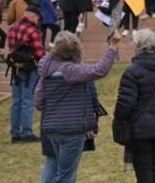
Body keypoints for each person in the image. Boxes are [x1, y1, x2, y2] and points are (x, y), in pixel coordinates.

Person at [36, 31, 118, 183]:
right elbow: (99, 70)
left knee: (57, 166)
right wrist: (112, 47)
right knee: (66, 175)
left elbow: (38, 101)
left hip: (51, 129)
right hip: (71, 129)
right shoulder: (71, 70)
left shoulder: (46, 72)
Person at [115, 29, 155, 183]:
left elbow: (125, 105)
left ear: (138, 47)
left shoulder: (132, 72)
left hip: (139, 129)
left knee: (143, 170)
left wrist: (119, 119)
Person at [7, 5, 46, 143]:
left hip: (15, 68)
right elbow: (39, 54)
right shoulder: (33, 31)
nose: (37, 21)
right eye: (37, 18)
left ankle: (15, 133)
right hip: (30, 69)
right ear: (32, 17)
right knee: (27, 100)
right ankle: (27, 133)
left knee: (16, 101)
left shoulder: (12, 28)